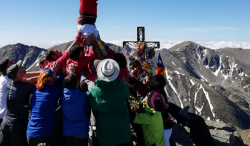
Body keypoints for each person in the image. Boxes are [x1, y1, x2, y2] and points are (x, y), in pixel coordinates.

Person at [88, 59, 131, 146]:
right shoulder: (123, 87)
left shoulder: (95, 92)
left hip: (106, 137)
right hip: (124, 134)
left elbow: (92, 104)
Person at [26, 63, 65, 146]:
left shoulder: (37, 89)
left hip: (31, 134)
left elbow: (52, 83)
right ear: (50, 80)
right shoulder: (52, 93)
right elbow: (66, 84)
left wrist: (56, 75)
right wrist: (65, 74)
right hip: (44, 133)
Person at [0, 60, 36, 146]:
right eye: (20, 68)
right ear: (18, 75)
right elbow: (41, 84)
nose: (23, 67)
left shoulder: (9, 84)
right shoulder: (25, 87)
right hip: (17, 127)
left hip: (5, 125)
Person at [61, 63, 89, 146]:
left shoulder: (61, 95)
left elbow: (68, 84)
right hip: (82, 131)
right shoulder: (83, 96)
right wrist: (72, 72)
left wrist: (70, 73)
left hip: (68, 131)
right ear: (77, 85)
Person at [0, 59, 15, 124]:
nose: (14, 62)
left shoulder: (2, 77)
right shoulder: (9, 81)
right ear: (7, 69)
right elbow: (27, 81)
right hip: (5, 117)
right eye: (11, 62)